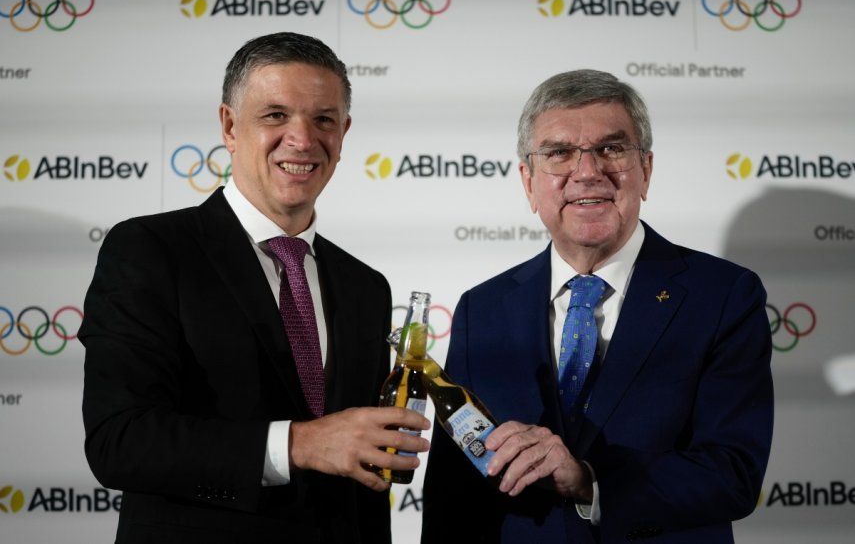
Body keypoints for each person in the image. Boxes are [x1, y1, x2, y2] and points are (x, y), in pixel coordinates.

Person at [80, 32, 429, 544]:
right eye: (275, 116)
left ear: (344, 132)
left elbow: (362, 476)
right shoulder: (150, 249)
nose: (303, 139)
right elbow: (121, 441)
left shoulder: (365, 286)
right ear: (229, 125)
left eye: (323, 119)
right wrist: (298, 443)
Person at [422, 70, 773, 543]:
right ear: (528, 181)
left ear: (645, 170)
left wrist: (587, 479)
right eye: (559, 153)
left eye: (611, 148)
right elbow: (454, 493)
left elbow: (734, 473)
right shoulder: (481, 309)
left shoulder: (724, 295)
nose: (587, 172)